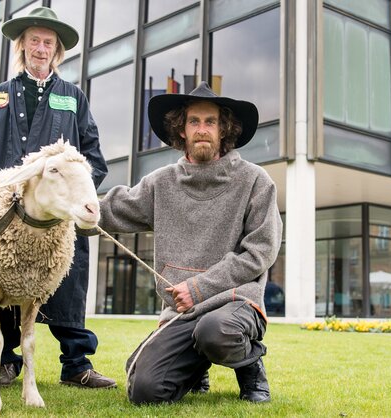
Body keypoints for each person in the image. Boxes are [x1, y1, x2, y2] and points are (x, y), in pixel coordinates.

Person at [0, 7, 114, 389]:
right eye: (34, 40)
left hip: (53, 218)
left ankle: (76, 365)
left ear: (57, 51)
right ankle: (4, 363)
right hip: (3, 216)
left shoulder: (73, 98)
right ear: (22, 45)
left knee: (67, 283)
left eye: (47, 42)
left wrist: (74, 194)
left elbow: (93, 158)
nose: (40, 48)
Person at [97, 82, 283, 404]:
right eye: (193, 121)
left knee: (215, 331)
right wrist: (66, 205)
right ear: (180, 130)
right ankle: (196, 366)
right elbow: (110, 211)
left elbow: (260, 252)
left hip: (235, 302)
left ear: (224, 129)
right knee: (144, 392)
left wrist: (198, 288)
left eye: (210, 121)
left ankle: (251, 367)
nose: (202, 130)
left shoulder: (255, 181)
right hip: (181, 311)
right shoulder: (161, 183)